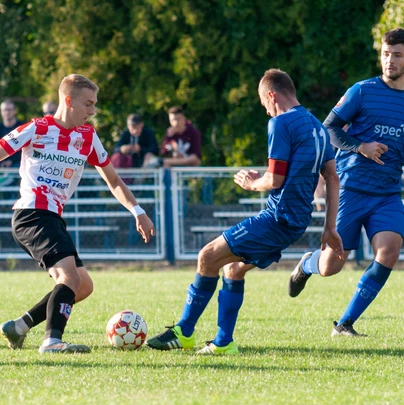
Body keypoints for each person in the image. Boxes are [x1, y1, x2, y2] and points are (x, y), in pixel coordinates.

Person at [146, 68, 342, 354]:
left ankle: (184, 332)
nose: (266, 111)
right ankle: (223, 343)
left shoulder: (281, 123)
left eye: (264, 103)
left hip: (277, 218)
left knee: (207, 256)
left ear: (272, 95)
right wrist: (330, 227)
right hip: (296, 222)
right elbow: (332, 178)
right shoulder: (317, 127)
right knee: (234, 269)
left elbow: (274, 180)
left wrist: (252, 183)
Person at [0, 74, 155, 354]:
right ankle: (52, 341)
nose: (93, 111)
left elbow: (114, 181)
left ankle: (19, 327)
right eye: (88, 104)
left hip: (51, 217)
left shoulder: (88, 137)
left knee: (82, 286)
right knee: (69, 279)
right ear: (69, 100)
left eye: (95, 104)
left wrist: (138, 211)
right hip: (32, 214)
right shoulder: (36, 128)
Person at [288, 28, 404, 337]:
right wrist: (361, 146)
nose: (389, 61)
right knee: (332, 266)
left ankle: (345, 324)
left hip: (388, 193)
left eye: (397, 55)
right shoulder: (362, 91)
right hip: (351, 189)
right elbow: (328, 129)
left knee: (389, 251)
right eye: (386, 54)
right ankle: (308, 263)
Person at [0, 99, 25, 168]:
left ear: (14, 111)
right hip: (0, 162)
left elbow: (25, 148)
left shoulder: (22, 127)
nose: (7, 112)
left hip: (18, 162)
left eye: (9, 110)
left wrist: (12, 161)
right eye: (4, 110)